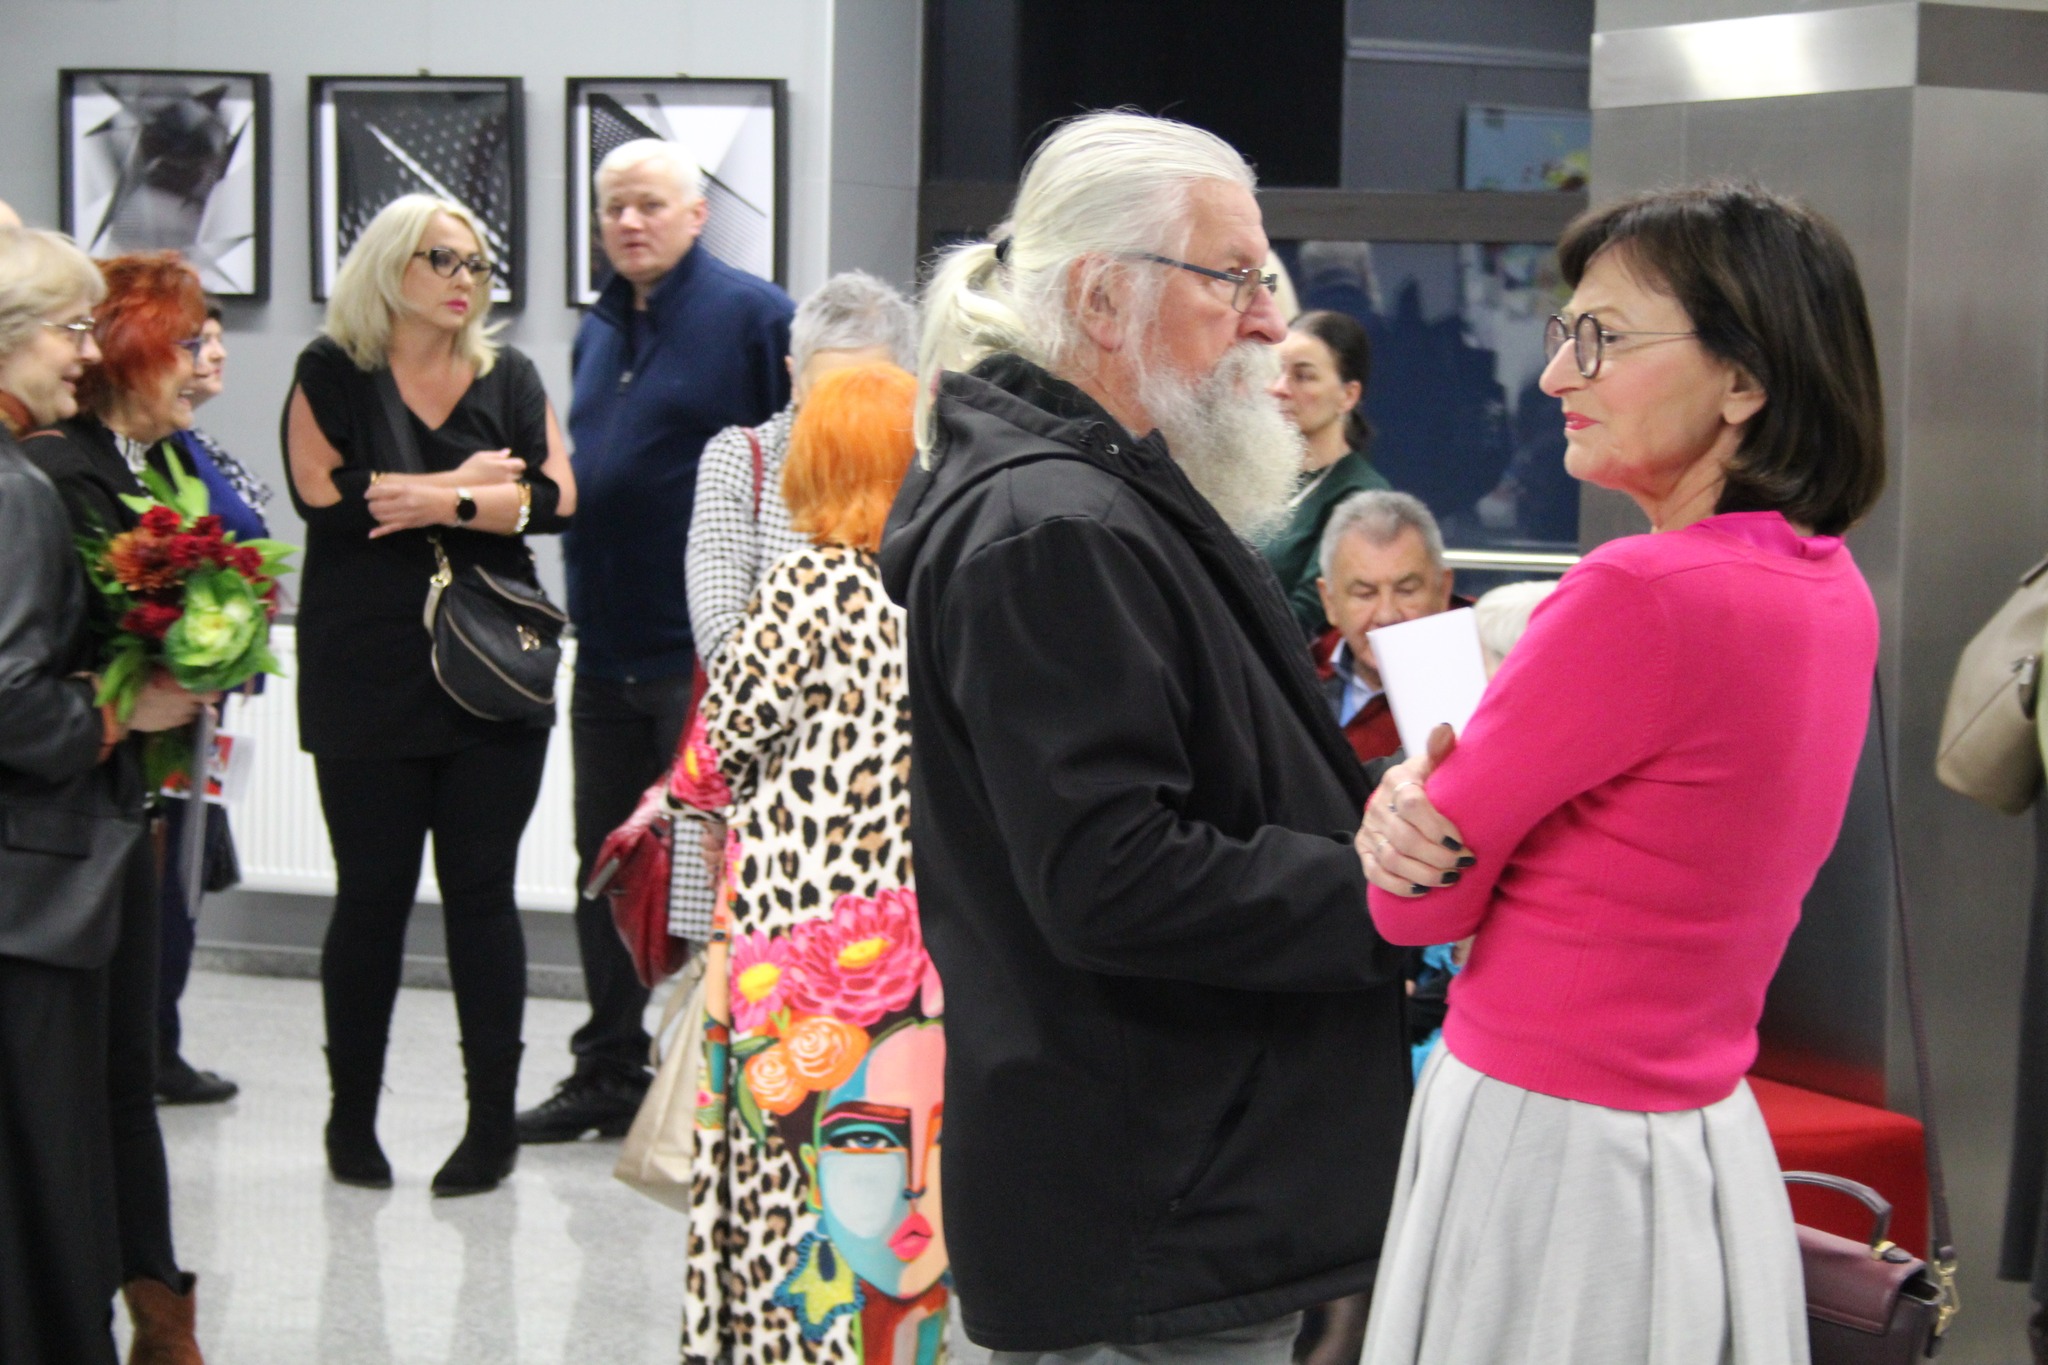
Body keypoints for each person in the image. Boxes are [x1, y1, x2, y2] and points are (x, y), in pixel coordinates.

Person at [879, 111, 1411, 1363]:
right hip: (1152, 1204)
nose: (1269, 323)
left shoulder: (1096, 497)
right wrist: (1378, 890)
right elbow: (1110, 876)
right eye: (1233, 278)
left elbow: (1217, 781)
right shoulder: (1054, 525)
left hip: (1178, 1179)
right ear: (1103, 300)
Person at [1356, 181, 1887, 1363]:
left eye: (1599, 339)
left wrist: (1399, 805)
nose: (1555, 375)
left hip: (1547, 1142)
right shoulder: (1825, 586)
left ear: (1743, 379)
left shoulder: (1637, 596)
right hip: (1694, 1131)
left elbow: (1413, 906)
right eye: (1564, 335)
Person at [282, 194, 575, 1196]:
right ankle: (350, 1118)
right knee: (369, 898)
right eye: (441, 258)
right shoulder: (332, 369)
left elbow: (555, 497)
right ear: (389, 264)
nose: (464, 279)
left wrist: (434, 495)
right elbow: (324, 495)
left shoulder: (509, 375)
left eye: (476, 263)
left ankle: (491, 1126)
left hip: (491, 669)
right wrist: (473, 488)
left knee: (482, 896)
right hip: (364, 670)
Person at [680, 362, 952, 1362]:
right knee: (902, 1166)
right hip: (911, 938)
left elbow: (716, 747)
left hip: (794, 945)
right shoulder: (938, 589)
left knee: (790, 1164)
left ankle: (786, 1344)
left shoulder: (804, 584)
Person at [530, 138, 795, 1144]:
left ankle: (717, 1073)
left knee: (713, 866)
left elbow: (790, 469)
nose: (630, 223)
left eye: (649, 204)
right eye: (613, 208)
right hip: (602, 650)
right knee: (605, 862)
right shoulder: (599, 326)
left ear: (696, 214)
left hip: (703, 659)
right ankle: (606, 1064)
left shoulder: (753, 317)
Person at [5, 232, 214, 1362]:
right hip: (41, 869)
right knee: (55, 1157)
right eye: (69, 331)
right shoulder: (29, 484)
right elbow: (15, 700)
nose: (81, 355)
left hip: (68, 854)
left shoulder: (92, 469)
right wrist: (118, 707)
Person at [155, 302, 272, 1107]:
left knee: (184, 876)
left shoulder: (197, 441)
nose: (218, 353)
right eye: (199, 340)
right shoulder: (156, 452)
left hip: (208, 698)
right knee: (168, 879)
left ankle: (159, 1039)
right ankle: (148, 1043)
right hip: (170, 698)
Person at [686, 271, 917, 668]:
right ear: (794, 380)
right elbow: (721, 639)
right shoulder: (742, 460)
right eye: (829, 396)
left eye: (867, 395)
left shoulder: (931, 467)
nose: (846, 418)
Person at [1260, 310, 1392, 637]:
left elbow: (1307, 616)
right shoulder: (1256, 477)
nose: (1279, 388)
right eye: (1275, 372)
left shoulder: (1360, 497)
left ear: (1348, 395)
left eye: (1303, 376)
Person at [1311, 489, 1460, 768]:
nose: (1387, 614)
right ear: (1329, 602)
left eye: (1406, 590)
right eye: (1365, 594)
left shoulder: (1483, 693)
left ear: (1443, 590)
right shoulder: (1294, 678)